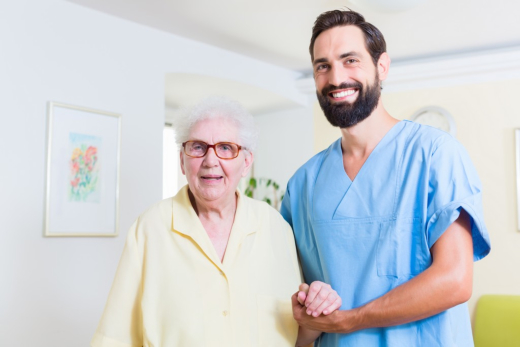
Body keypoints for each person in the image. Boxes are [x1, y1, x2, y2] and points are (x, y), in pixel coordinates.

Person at [281, 10, 491, 347]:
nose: (336, 78)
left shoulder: (435, 155)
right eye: (323, 66)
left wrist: (349, 321)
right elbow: (294, 303)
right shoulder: (303, 184)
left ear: (382, 67)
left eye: (350, 60)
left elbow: (455, 280)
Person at [91, 96, 340, 347]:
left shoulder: (276, 228)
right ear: (182, 161)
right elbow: (114, 338)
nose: (211, 161)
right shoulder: (149, 229)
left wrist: (315, 314)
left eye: (225, 148)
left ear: (246, 162)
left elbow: (295, 336)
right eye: (198, 147)